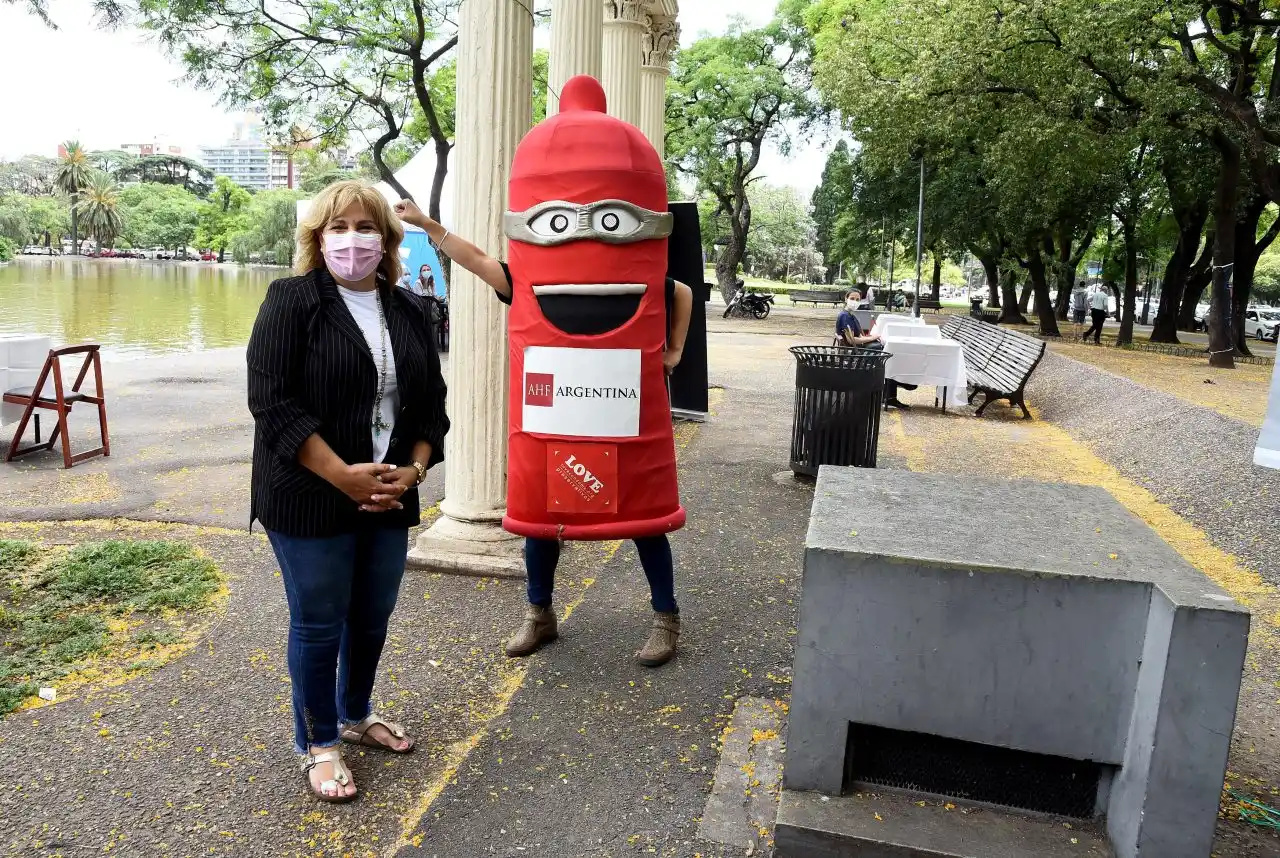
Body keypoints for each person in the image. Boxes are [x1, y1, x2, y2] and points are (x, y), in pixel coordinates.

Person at [393, 196, 694, 668]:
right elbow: (474, 259)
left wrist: (674, 350)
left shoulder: (633, 281)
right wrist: (427, 224)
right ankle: (540, 613)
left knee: (647, 521)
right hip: (556, 422)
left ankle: (666, 618)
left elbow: (680, 292)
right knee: (540, 520)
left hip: (623, 421)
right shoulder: (527, 280)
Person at [246, 180, 449, 804]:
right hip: (308, 492)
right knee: (319, 622)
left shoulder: (412, 309)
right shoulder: (292, 300)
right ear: (318, 238)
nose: (353, 240)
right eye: (339, 228)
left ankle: (355, 714)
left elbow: (431, 410)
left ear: (388, 240)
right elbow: (272, 404)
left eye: (367, 228)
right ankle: (318, 742)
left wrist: (411, 473)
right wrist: (342, 474)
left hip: (390, 492)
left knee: (371, 616)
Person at [835, 289, 915, 409]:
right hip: (855, 352)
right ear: (846, 299)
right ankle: (897, 383)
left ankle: (894, 385)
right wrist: (871, 338)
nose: (854, 301)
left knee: (884, 350)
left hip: (857, 349)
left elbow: (859, 336)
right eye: (852, 298)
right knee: (887, 354)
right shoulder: (845, 316)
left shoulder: (849, 315)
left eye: (857, 299)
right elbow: (852, 340)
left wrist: (871, 337)